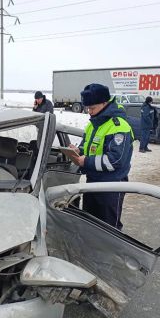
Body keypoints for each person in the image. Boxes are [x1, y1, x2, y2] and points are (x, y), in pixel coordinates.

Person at [66, 83, 133, 230]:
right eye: (87, 108)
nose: (89, 112)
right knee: (90, 223)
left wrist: (86, 161)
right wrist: (78, 150)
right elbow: (88, 148)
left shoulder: (118, 126)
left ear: (105, 103)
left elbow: (115, 160)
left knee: (108, 228)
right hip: (93, 181)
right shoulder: (93, 124)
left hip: (111, 186)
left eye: (92, 108)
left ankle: (109, 252)